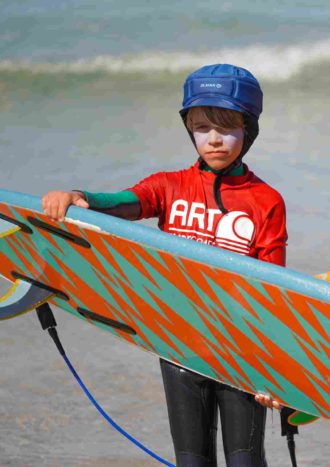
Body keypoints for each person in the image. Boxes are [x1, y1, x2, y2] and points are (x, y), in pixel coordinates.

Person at [41, 63, 285, 467]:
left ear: (249, 130)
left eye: (227, 128)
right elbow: (120, 203)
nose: (215, 140)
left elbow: (274, 292)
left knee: (245, 461)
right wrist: (77, 196)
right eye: (203, 128)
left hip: (242, 351)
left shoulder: (266, 200)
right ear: (189, 130)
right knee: (191, 461)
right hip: (179, 346)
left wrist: (273, 368)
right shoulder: (169, 187)